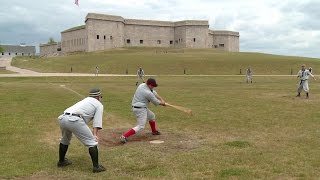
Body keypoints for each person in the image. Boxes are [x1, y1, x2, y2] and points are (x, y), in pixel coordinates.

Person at [57, 88, 106, 173]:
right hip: (74, 120)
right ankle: (96, 167)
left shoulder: (85, 100)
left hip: (62, 117)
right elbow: (97, 122)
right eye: (101, 96)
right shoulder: (98, 104)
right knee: (92, 142)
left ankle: (61, 161)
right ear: (98, 96)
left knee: (65, 139)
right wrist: (94, 135)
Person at [121, 78, 166, 143]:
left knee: (152, 116)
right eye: (152, 86)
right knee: (141, 126)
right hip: (140, 109)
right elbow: (156, 102)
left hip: (140, 107)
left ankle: (154, 131)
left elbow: (154, 93)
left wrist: (162, 99)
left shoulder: (142, 85)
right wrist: (163, 103)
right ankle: (124, 136)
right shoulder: (147, 93)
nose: (153, 87)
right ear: (149, 85)